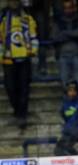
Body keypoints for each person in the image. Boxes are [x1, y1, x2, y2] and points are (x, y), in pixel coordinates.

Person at [0, 0, 38, 129]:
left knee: (24, 89)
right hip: (8, 58)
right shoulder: (3, 19)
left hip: (24, 58)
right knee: (10, 88)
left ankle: (22, 115)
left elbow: (33, 35)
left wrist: (33, 50)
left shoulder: (27, 18)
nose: (14, 3)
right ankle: (17, 111)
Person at [55, 80, 78, 156]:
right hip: (69, 131)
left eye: (74, 91)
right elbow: (65, 118)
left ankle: (76, 158)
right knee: (58, 148)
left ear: (77, 92)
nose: (72, 93)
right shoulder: (65, 105)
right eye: (70, 91)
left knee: (65, 146)